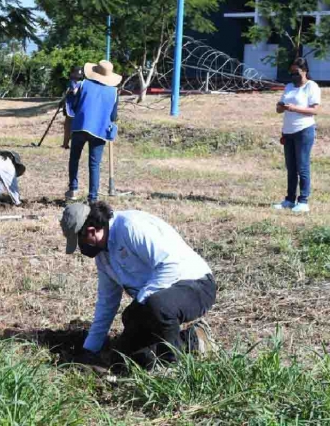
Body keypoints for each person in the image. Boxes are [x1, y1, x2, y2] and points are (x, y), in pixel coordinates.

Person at [60, 201, 217, 370]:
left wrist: (141, 302)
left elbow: (171, 266)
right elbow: (107, 303)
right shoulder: (103, 256)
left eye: (80, 242)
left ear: (91, 231)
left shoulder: (131, 227)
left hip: (196, 286)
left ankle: (172, 368)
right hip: (156, 300)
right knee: (124, 357)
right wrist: (90, 349)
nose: (81, 249)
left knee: (155, 306)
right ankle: (194, 340)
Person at [65, 60, 121, 203]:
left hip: (80, 126)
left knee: (74, 158)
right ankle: (93, 198)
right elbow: (114, 116)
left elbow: (72, 107)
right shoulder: (114, 92)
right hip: (100, 130)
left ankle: (73, 189)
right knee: (94, 164)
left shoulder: (83, 85)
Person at [273, 57, 321, 213]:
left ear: (305, 71)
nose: (294, 76)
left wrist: (294, 108)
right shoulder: (288, 87)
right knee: (291, 168)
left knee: (302, 167)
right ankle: (289, 200)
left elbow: (314, 110)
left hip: (304, 131)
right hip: (288, 132)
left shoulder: (311, 87)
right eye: (291, 72)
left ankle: (303, 201)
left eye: (297, 72)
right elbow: (279, 110)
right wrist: (281, 107)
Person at [62, 66, 84, 149]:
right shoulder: (80, 83)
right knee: (69, 126)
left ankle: (66, 144)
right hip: (73, 107)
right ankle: (66, 144)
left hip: (74, 107)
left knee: (69, 127)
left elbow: (74, 92)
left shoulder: (75, 83)